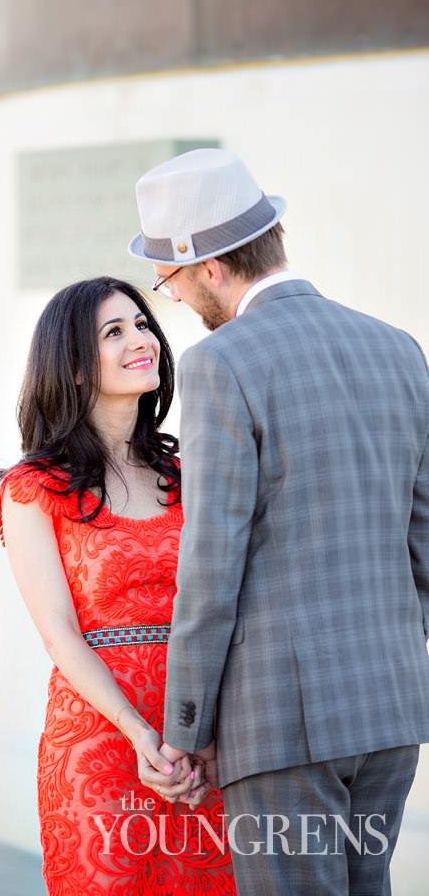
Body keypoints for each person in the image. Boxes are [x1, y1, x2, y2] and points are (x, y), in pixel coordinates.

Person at [129, 147, 429, 894]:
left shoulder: (221, 363)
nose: (178, 299)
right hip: (392, 708)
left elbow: (212, 565)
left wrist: (186, 730)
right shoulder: (400, 349)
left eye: (170, 281)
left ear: (211, 268)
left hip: (282, 722)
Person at [0, 276, 233, 894]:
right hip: (102, 738)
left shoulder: (189, 473)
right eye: (114, 331)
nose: (141, 339)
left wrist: (195, 734)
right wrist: (140, 735)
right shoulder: (33, 489)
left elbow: (226, 606)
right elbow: (59, 635)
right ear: (72, 366)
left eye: (143, 324)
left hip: (202, 738)